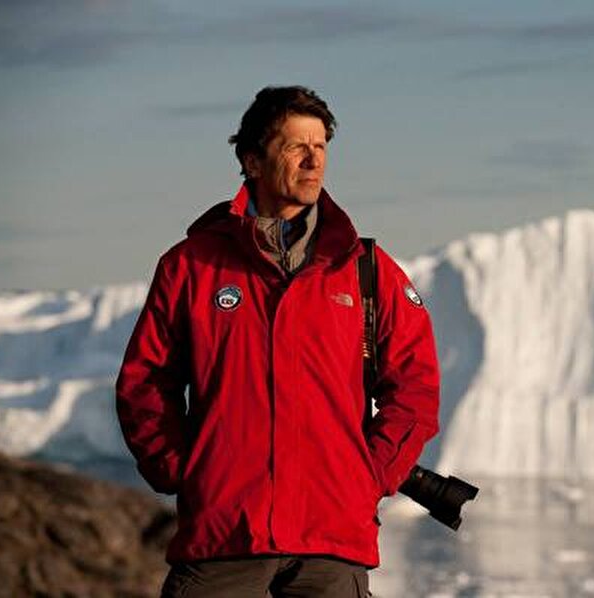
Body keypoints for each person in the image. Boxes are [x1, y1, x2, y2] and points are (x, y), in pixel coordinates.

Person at [116, 86, 440, 597]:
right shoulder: (191, 266)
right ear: (252, 161)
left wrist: (369, 475)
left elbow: (415, 387)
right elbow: (145, 381)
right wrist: (182, 468)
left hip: (331, 543)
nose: (314, 161)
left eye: (321, 146)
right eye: (296, 147)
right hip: (225, 536)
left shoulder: (366, 272)